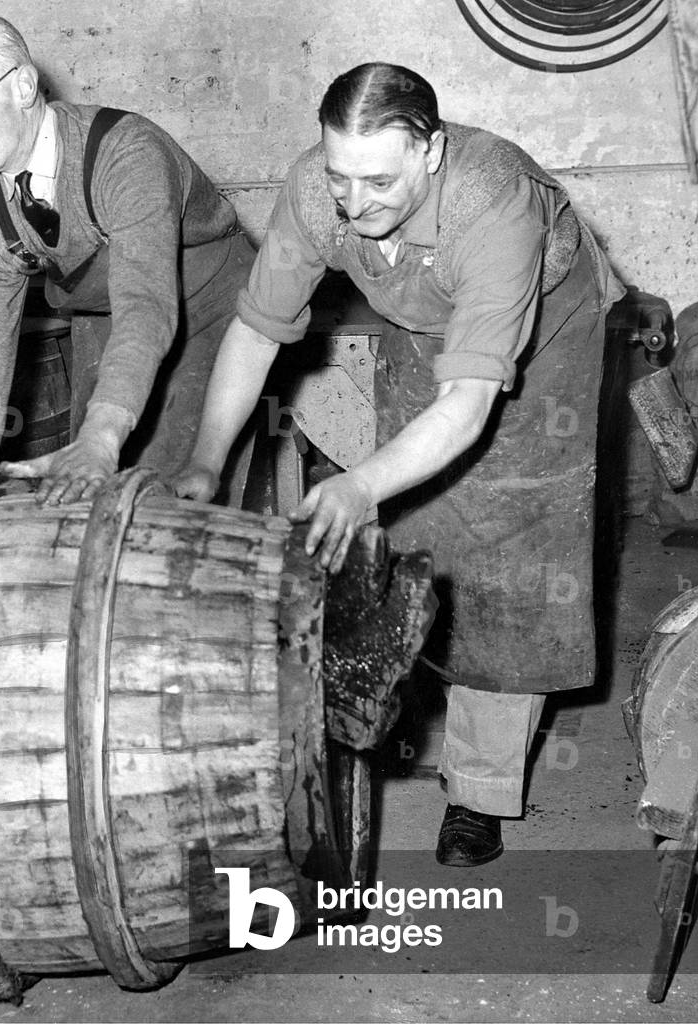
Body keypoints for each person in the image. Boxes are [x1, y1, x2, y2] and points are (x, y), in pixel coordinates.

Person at [175, 62, 624, 866]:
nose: (354, 203)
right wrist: (207, 459)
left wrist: (356, 482)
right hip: (423, 322)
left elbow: (469, 406)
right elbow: (255, 329)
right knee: (408, 520)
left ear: (433, 152)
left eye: (379, 181)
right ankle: (393, 699)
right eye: (341, 177)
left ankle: (478, 793)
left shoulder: (496, 206)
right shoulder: (320, 188)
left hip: (546, 329)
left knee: (506, 548)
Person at [0, 14, 254, 501]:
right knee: (83, 488)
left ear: (22, 85)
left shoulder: (127, 153)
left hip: (208, 306)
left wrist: (103, 435)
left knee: (158, 496)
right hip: (105, 316)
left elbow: (146, 305)